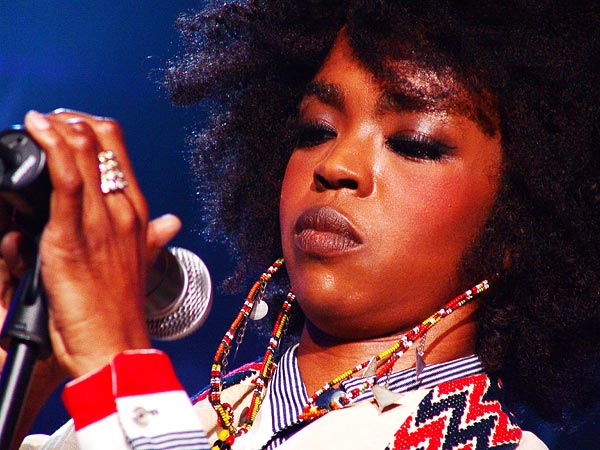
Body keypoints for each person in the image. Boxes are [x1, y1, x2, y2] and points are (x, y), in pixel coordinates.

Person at [3, 0, 599, 449]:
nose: (336, 165)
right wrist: (16, 355)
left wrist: (115, 365)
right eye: (316, 130)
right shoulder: (190, 419)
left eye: (414, 144)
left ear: (519, 224)